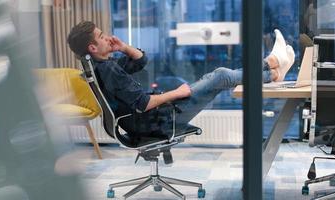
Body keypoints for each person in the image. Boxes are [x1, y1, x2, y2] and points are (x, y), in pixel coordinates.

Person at [67, 21, 295, 138]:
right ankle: (272, 63)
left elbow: (140, 62)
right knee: (221, 75)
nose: (107, 37)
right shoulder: (107, 70)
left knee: (218, 76)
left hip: (149, 120)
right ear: (92, 47)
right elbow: (143, 103)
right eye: (101, 36)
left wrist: (124, 47)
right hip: (157, 122)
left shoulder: (102, 66)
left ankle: (273, 72)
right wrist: (176, 93)